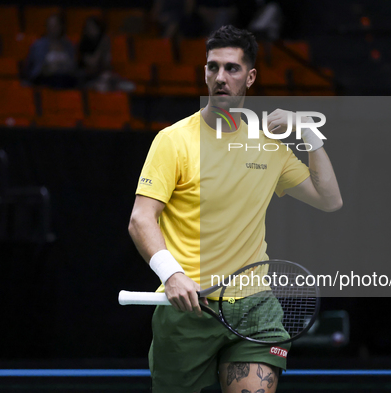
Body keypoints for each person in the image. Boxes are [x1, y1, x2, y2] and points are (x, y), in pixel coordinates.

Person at [129, 25, 342, 392]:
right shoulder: (173, 140)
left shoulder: (268, 145)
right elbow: (140, 219)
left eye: (232, 68)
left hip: (255, 308)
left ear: (251, 76)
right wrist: (172, 274)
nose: (220, 78)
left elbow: (329, 200)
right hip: (188, 309)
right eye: (213, 67)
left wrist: (308, 133)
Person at [26, 13, 77, 89]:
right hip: (46, 79)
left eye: (55, 26)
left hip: (66, 78)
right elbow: (36, 68)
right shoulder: (39, 45)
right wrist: (48, 69)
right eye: (50, 26)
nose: (53, 29)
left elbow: (73, 67)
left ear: (61, 27)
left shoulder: (68, 45)